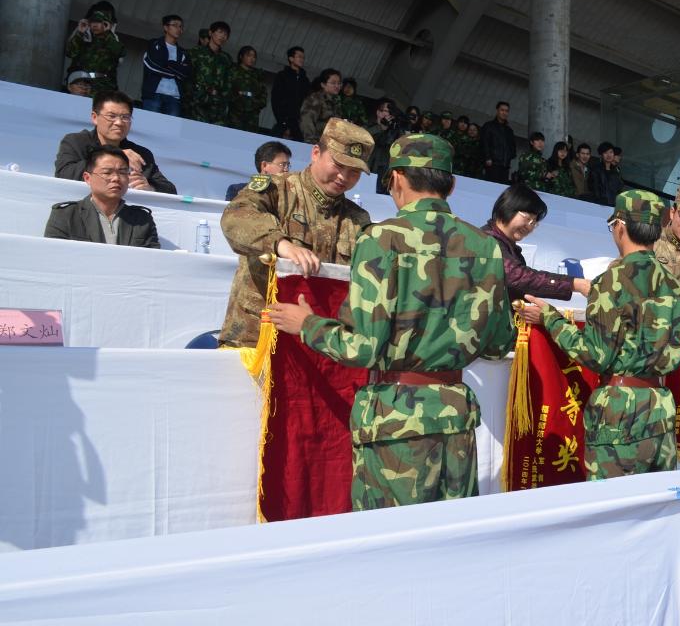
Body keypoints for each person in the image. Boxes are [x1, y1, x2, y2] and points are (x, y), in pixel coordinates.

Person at [267, 134, 517, 509]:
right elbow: (499, 344)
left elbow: (363, 347)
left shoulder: (382, 239)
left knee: (391, 538)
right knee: (452, 534)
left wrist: (308, 324)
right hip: (455, 417)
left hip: (396, 420)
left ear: (397, 178)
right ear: (450, 185)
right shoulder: (484, 246)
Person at [525, 190, 680, 480]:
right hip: (661, 408)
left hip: (620, 412)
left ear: (620, 227)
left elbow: (596, 355)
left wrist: (551, 319)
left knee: (615, 504)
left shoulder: (612, 280)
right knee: (657, 502)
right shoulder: (675, 286)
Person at [218, 119, 373, 348]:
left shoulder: (357, 219)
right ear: (316, 153)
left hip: (314, 343)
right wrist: (282, 245)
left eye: (354, 172)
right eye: (338, 165)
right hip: (257, 336)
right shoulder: (276, 189)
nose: (343, 176)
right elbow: (235, 216)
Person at [482, 185, 590, 303]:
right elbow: (518, 277)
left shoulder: (509, 247)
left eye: (534, 223)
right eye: (527, 218)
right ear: (507, 208)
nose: (529, 227)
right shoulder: (487, 241)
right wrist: (574, 284)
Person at [54, 91, 177, 194]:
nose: (119, 123)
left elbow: (170, 190)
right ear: (95, 117)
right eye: (111, 116)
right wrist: (115, 155)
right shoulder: (75, 141)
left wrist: (150, 188)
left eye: (125, 117)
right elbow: (63, 175)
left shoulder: (140, 154)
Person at [44, 145, 159, 248]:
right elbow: (54, 255)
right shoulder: (66, 215)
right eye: (107, 173)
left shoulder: (142, 219)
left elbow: (151, 259)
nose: (116, 178)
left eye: (122, 172)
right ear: (87, 178)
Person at [140, 14, 191, 117]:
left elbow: (185, 74)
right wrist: (175, 69)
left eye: (181, 26)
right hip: (153, 94)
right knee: (150, 124)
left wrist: (167, 64)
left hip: (174, 97)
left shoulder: (183, 53)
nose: (178, 29)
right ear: (166, 27)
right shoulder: (154, 44)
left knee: (171, 127)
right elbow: (152, 66)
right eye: (175, 25)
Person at [65, 9, 125, 94]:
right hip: (82, 84)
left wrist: (107, 34)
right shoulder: (83, 36)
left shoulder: (111, 39)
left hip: (103, 87)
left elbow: (120, 57)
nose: (96, 25)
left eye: (100, 23)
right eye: (93, 22)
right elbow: (70, 53)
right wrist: (80, 33)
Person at [186, 21, 232, 124]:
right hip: (196, 103)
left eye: (225, 34)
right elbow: (188, 77)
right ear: (211, 33)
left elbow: (228, 83)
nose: (222, 36)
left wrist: (222, 98)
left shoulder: (226, 58)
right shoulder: (195, 52)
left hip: (217, 106)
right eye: (220, 32)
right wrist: (192, 96)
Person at [225, 141, 292, 201]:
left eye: (288, 165)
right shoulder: (238, 190)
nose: (286, 170)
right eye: (282, 164)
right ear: (264, 165)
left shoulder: (290, 196)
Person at [367, 98, 408, 193]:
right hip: (368, 168)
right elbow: (365, 137)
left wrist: (401, 126)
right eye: (386, 111)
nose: (388, 114)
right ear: (378, 112)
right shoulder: (369, 124)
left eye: (390, 112)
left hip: (383, 172)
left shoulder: (394, 129)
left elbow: (402, 147)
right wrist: (380, 127)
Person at [271, 46, 309, 140]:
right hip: (284, 121)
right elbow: (275, 99)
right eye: (299, 57)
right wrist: (282, 121)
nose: (302, 59)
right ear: (291, 59)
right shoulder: (282, 76)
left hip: (299, 123)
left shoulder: (305, 80)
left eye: (303, 57)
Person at [227, 46, 268, 133]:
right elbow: (227, 90)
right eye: (249, 55)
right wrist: (237, 98)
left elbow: (264, 94)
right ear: (241, 56)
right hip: (235, 115)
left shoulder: (258, 75)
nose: (252, 59)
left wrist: (257, 103)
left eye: (254, 57)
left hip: (252, 118)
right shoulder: (233, 71)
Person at [299, 68, 343, 144]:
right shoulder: (316, 99)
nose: (337, 86)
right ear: (323, 84)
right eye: (333, 83)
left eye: (339, 83)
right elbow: (306, 121)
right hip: (315, 143)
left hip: (327, 144)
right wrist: (311, 141)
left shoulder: (336, 102)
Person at [480, 101, 516, 183]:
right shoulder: (489, 126)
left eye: (506, 111)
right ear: (497, 111)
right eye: (502, 110)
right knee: (491, 187)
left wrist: (510, 157)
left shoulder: (509, 130)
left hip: (505, 166)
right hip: (492, 164)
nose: (504, 113)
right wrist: (487, 158)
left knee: (502, 188)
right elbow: (484, 143)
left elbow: (513, 146)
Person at [588, 141, 622, 206]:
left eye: (611, 152)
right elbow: (595, 190)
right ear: (601, 155)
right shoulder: (596, 170)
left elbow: (619, 189)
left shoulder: (615, 171)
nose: (609, 155)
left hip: (613, 205)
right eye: (605, 153)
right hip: (600, 205)